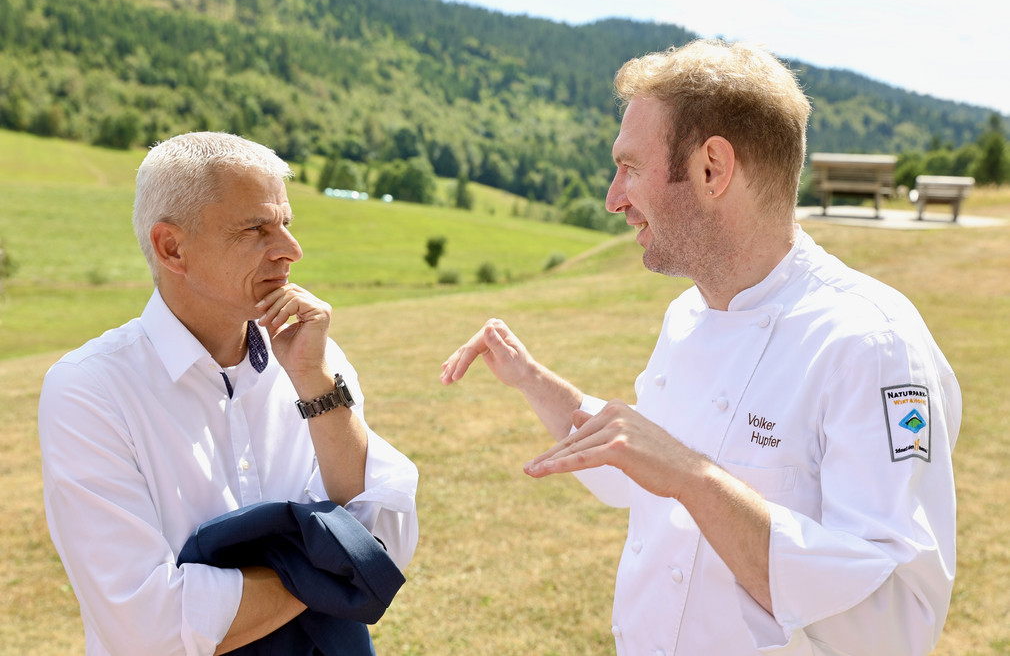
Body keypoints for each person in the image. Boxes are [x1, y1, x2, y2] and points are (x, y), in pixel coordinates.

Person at [441, 40, 960, 655]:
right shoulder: (687, 316)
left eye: (630, 167)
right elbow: (640, 468)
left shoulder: (869, 344)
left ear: (712, 167)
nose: (614, 198)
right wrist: (532, 380)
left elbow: (892, 620)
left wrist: (693, 478)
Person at [39, 131, 419, 655]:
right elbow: (151, 628)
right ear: (172, 247)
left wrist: (314, 382)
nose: (291, 250)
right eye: (257, 229)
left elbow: (389, 542)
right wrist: (332, 569)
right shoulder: (90, 391)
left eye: (285, 223)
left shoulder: (315, 363)